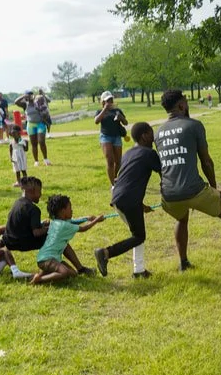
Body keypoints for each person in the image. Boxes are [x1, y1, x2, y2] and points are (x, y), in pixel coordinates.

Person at [155, 89, 221, 280]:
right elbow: (206, 162)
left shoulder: (159, 131)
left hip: (168, 194)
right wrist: (214, 188)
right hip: (193, 189)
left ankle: (183, 263)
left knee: (181, 219)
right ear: (181, 105)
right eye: (186, 102)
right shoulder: (194, 125)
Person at [94, 122, 161, 278]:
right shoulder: (149, 154)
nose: (154, 136)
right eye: (151, 133)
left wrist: (141, 205)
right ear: (144, 136)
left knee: (137, 234)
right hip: (128, 201)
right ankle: (105, 253)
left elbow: (127, 180)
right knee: (139, 236)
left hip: (118, 198)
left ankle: (139, 271)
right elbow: (165, 174)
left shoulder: (129, 153)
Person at [32, 195, 103, 284]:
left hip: (50, 258)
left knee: (73, 274)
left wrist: (87, 218)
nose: (72, 210)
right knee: (64, 272)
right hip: (47, 259)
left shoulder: (56, 221)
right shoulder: (64, 226)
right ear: (63, 211)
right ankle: (39, 280)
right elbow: (84, 228)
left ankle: (42, 274)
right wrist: (96, 220)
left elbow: (73, 220)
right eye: (70, 208)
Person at [95, 90, 128, 184]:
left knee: (118, 162)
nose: (110, 102)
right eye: (107, 100)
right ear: (103, 102)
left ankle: (115, 177)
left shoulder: (117, 110)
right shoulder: (100, 111)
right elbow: (96, 121)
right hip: (105, 137)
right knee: (110, 161)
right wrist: (104, 109)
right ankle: (113, 184)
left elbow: (126, 123)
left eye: (111, 100)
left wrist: (120, 117)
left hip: (117, 137)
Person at [15, 90, 51, 166]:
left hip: (40, 124)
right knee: (34, 143)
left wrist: (41, 95)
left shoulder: (38, 102)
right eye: (28, 95)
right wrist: (24, 96)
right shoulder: (25, 104)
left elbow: (47, 101)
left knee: (41, 141)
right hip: (31, 125)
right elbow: (16, 102)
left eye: (31, 95)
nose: (30, 96)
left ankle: (45, 159)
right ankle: (36, 161)